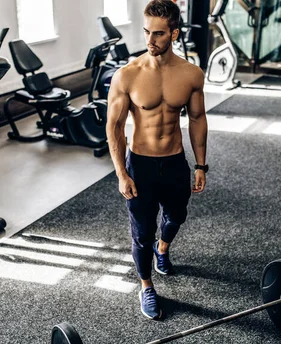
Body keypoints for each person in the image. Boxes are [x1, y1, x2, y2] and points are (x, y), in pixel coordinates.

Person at [106, 0, 208, 320]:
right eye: (146, 32)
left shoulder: (191, 74)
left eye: (159, 34)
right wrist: (122, 173)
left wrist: (201, 164)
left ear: (174, 34)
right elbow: (114, 127)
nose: (150, 40)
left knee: (176, 216)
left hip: (175, 162)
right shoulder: (127, 75)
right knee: (141, 232)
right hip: (142, 164)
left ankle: (162, 251)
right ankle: (146, 286)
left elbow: (197, 118)